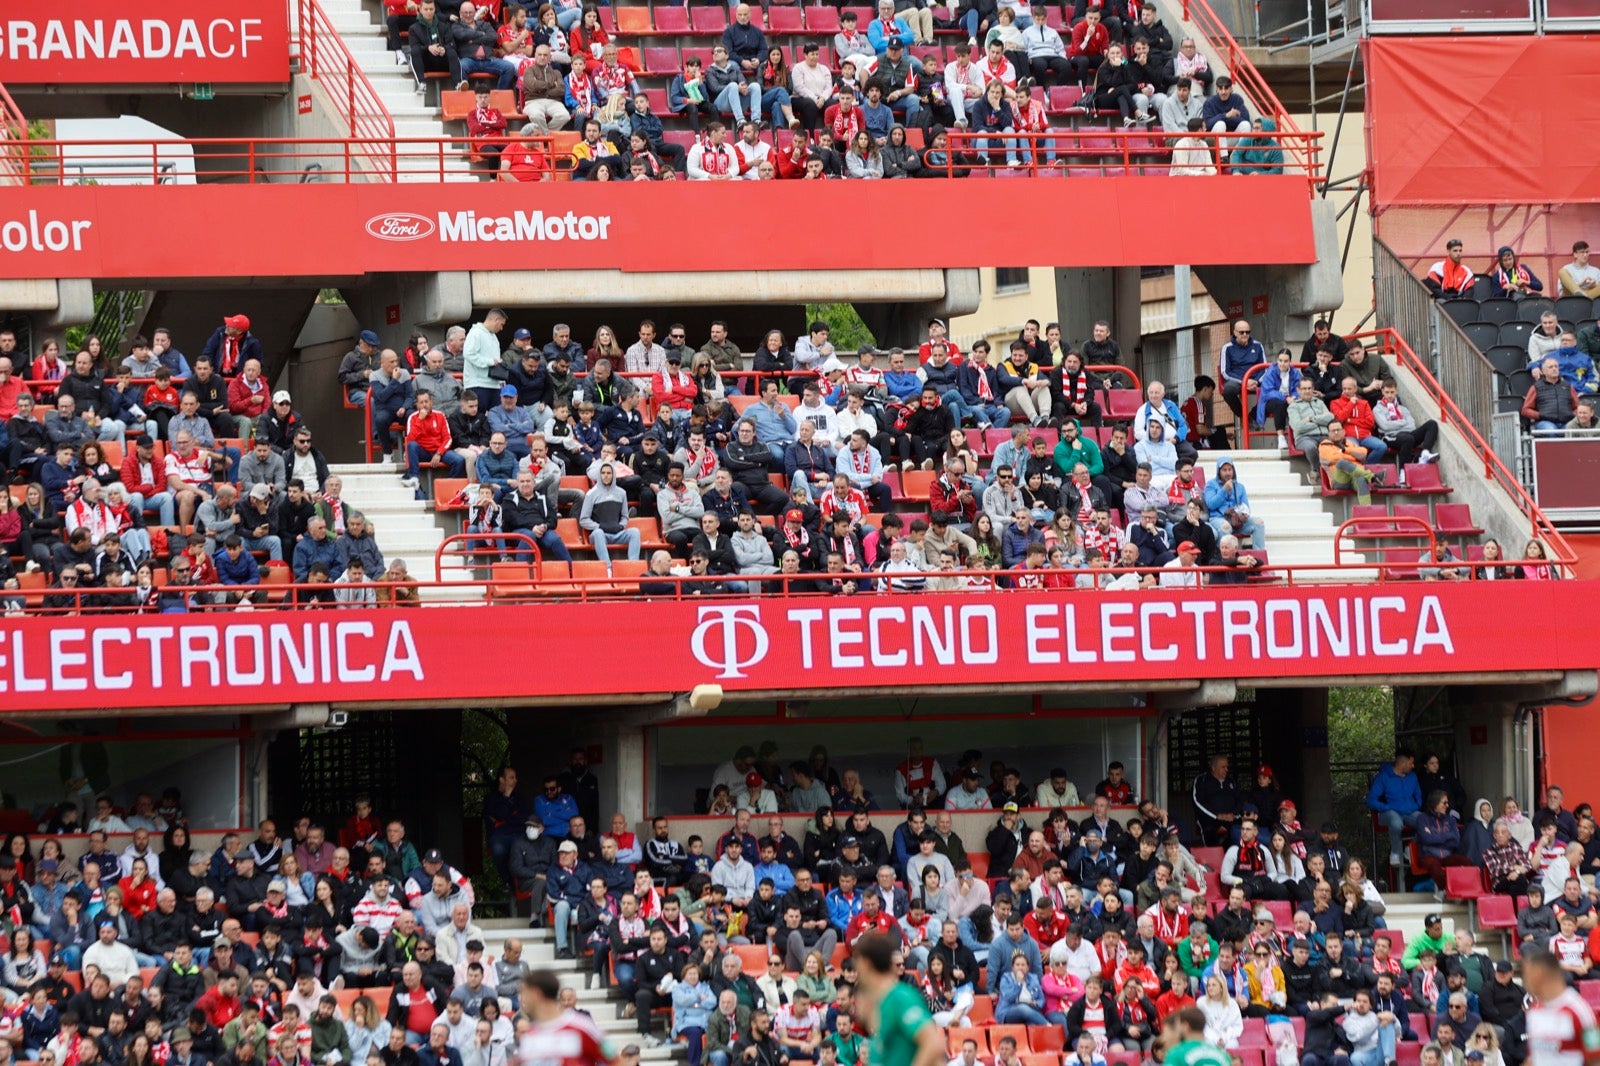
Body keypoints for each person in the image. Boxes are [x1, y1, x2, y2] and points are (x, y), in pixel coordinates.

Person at [853, 935, 942, 1066]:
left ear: (865, 963)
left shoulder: (898, 997)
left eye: (856, 961)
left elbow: (933, 1044)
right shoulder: (878, 1000)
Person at [1367, 750, 1422, 869]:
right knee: (1396, 823)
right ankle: (1395, 853)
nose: (1413, 766)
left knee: (1424, 821)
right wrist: (1386, 807)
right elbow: (1371, 800)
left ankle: (1410, 848)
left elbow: (1419, 797)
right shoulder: (1384, 777)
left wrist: (1414, 806)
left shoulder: (1412, 776)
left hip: (1409, 812)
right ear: (1402, 763)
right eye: (1410, 763)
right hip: (1390, 813)